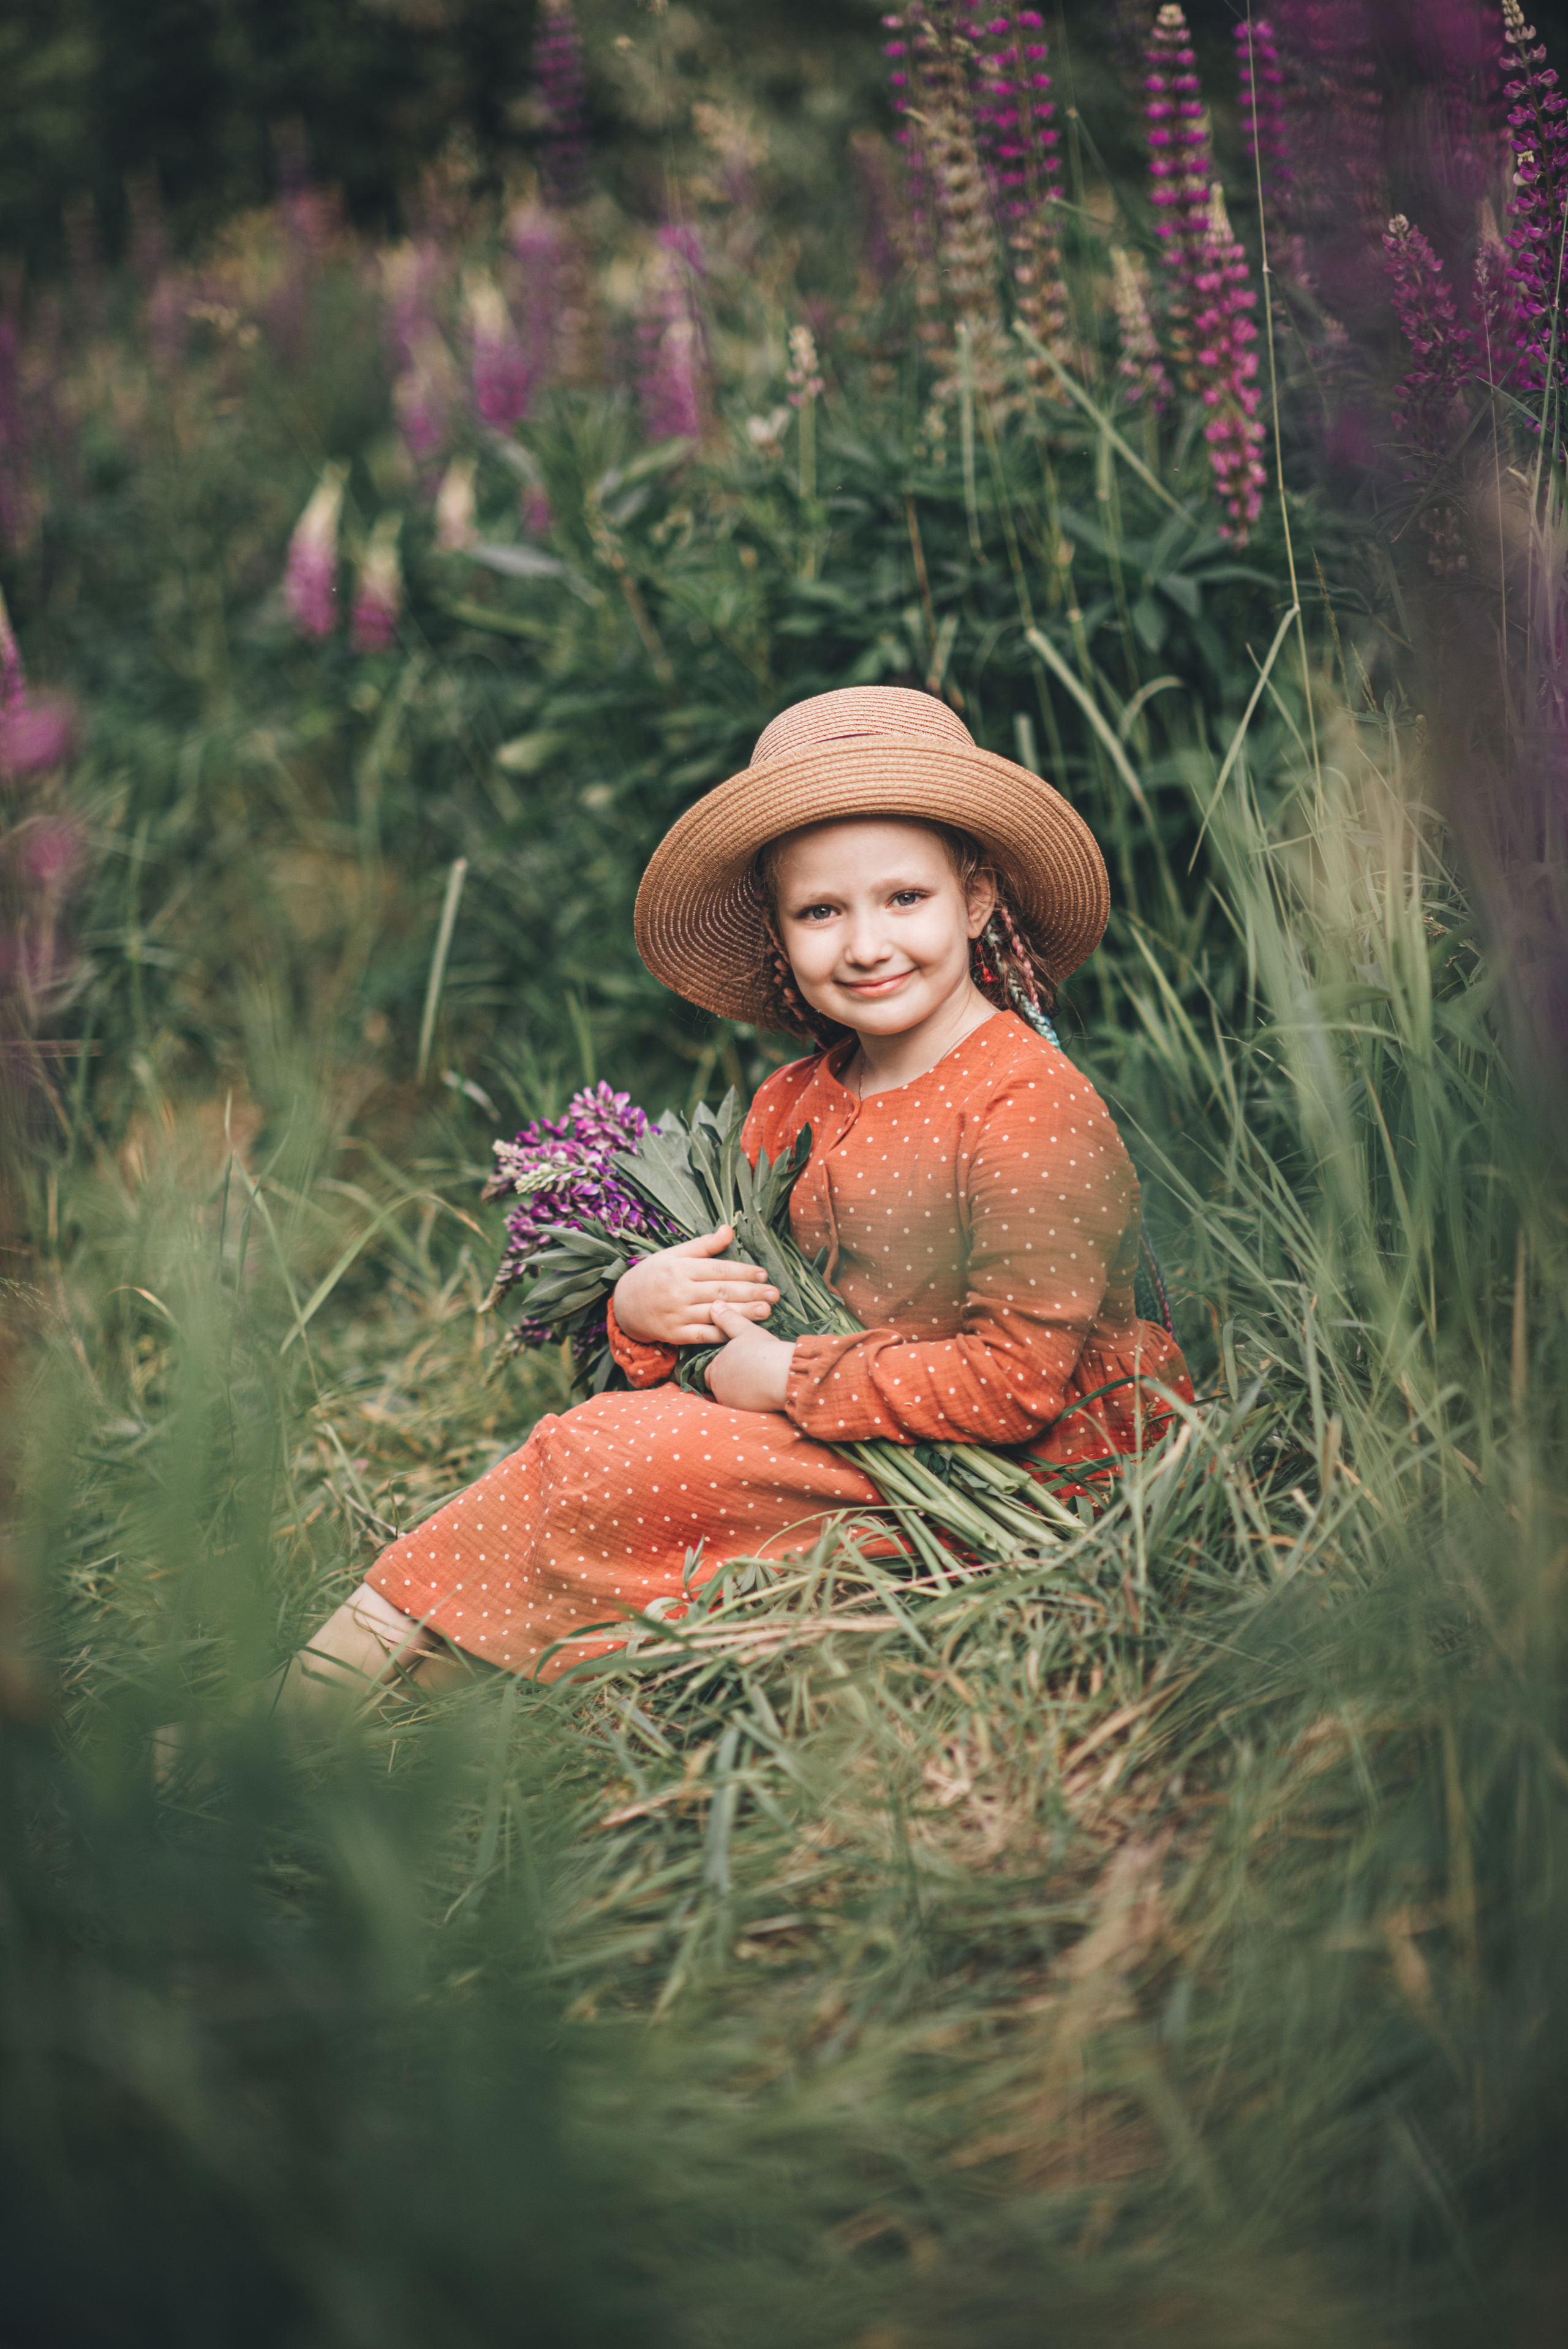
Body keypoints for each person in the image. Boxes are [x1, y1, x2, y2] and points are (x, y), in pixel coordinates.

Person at [281, 686, 1193, 1714]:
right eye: (820, 911)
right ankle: (352, 1703)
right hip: (853, 1444)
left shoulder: (1026, 1105)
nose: (865, 943)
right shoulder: (793, 1103)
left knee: (594, 1453)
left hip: (1022, 1473)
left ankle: (302, 1710)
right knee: (608, 1456)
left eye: (905, 898)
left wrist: (789, 1376)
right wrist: (645, 1309)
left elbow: (1021, 1380)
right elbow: (740, 1317)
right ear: (780, 930)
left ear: (976, 897)